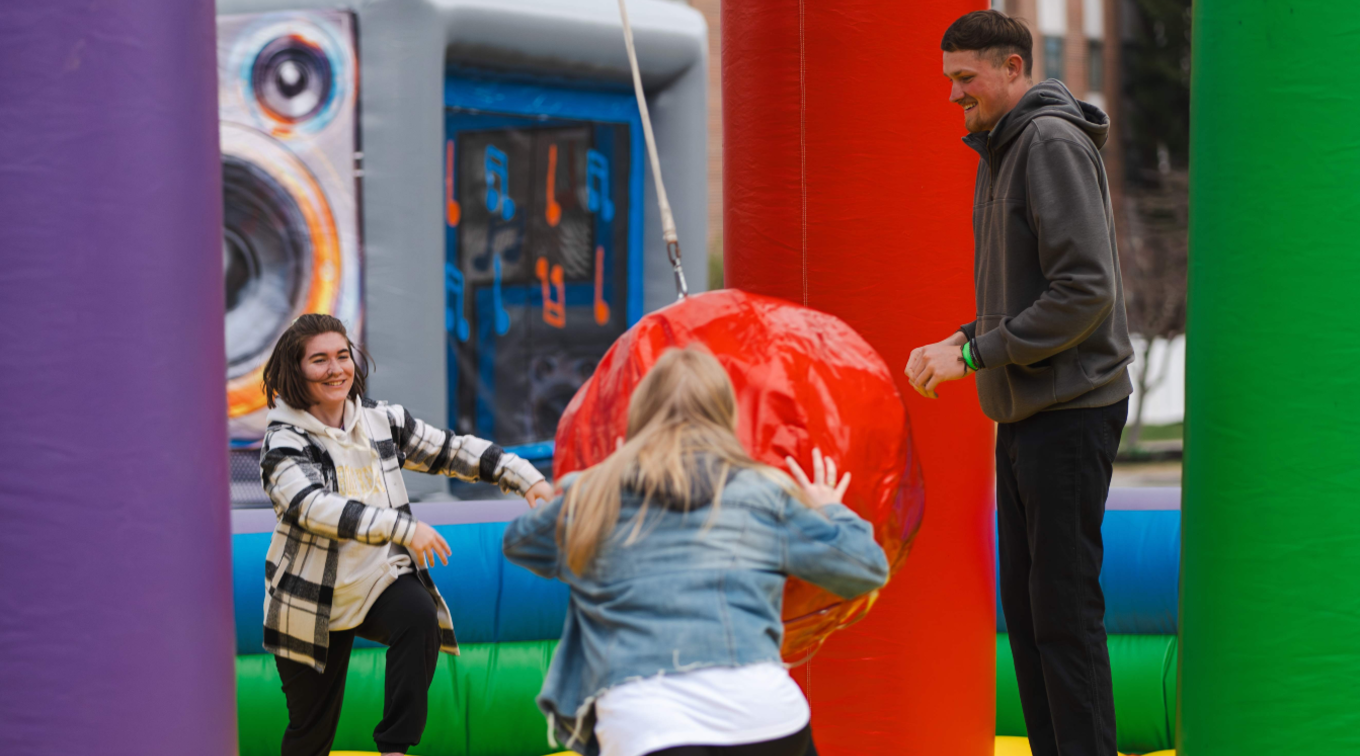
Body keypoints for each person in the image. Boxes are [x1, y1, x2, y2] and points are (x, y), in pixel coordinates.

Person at [904, 10, 1134, 756]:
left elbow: (1084, 291)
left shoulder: (1049, 144)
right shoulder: (1002, 150)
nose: (953, 96)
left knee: (1064, 618)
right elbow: (1026, 297)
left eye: (964, 79)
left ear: (1012, 66)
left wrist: (974, 358)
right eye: (949, 81)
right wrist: (966, 338)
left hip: (1070, 411)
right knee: (1034, 618)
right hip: (1030, 411)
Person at [503, 347, 888, 756]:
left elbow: (522, 543)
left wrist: (598, 478)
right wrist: (829, 509)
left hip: (648, 722)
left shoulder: (599, 492)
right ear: (724, 415)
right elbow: (864, 567)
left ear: (639, 416)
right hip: (764, 717)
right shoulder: (762, 491)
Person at [257, 313, 554, 756]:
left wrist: (525, 478)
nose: (336, 369)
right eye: (319, 360)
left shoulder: (381, 421)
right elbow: (311, 507)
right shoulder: (284, 441)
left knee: (418, 616)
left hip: (377, 581)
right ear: (295, 370)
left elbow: (452, 450)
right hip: (312, 598)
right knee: (310, 731)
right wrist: (402, 527)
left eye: (343, 356)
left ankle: (394, 748)